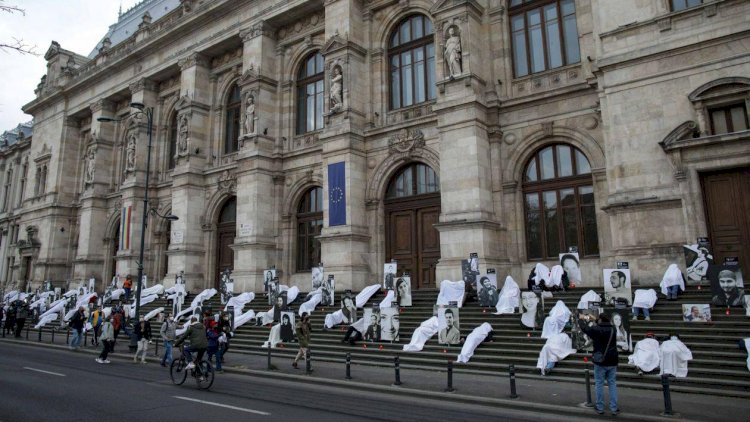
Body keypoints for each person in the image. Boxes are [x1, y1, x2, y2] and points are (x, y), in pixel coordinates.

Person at [579, 313, 619, 416]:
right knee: (612, 384)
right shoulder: (613, 329)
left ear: (600, 320)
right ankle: (614, 408)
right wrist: (596, 319)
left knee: (599, 384)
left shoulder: (596, 329)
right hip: (612, 360)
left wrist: (581, 319)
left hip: (600, 360)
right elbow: (603, 323)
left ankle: (600, 407)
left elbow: (585, 329)